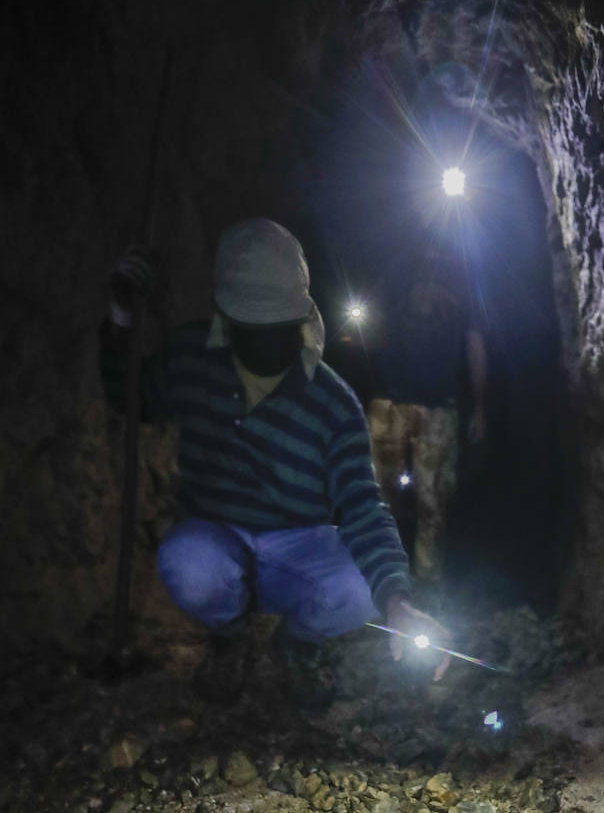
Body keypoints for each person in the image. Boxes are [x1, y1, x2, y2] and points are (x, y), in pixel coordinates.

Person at [100, 218, 450, 705]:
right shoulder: (189, 358)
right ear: (226, 315)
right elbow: (130, 396)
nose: (267, 342)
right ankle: (229, 639)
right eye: (252, 326)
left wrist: (399, 602)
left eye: (278, 327)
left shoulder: (332, 402)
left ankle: (297, 647)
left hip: (298, 550)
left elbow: (362, 505)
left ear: (302, 315)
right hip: (217, 538)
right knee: (187, 560)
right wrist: (121, 315)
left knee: (361, 585)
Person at [366, 257, 487, 587]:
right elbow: (370, 325)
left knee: (433, 499)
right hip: (389, 400)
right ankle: (380, 579)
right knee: (376, 495)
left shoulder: (463, 271)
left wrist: (478, 407)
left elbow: (475, 342)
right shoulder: (395, 266)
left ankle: (427, 584)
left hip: (439, 405)